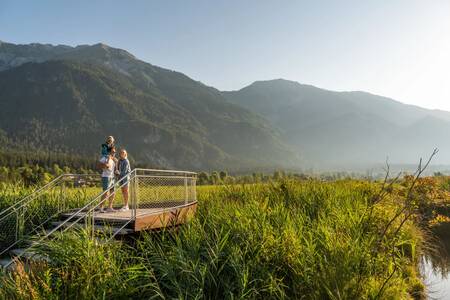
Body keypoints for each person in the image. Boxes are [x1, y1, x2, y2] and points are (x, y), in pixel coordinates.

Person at [99, 147, 116, 213]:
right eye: (113, 152)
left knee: (112, 192)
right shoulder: (105, 158)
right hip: (106, 177)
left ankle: (109, 207)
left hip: (112, 177)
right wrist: (107, 162)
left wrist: (116, 172)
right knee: (105, 193)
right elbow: (99, 165)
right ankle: (101, 208)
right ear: (109, 152)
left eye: (114, 152)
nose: (114, 153)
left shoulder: (113, 160)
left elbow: (112, 168)